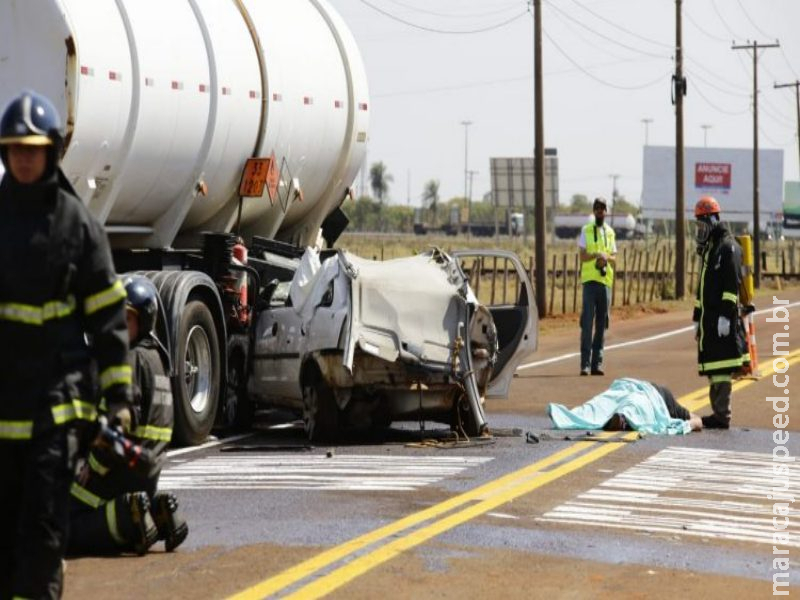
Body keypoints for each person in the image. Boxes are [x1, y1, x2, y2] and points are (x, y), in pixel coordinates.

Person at [0, 90, 132, 598]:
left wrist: (117, 400)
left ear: (52, 152)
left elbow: (109, 321)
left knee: (41, 538)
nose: (24, 158)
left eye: (33, 149)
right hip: (3, 408)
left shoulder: (78, 228)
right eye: (15, 149)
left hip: (53, 415)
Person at [69, 275, 188, 556]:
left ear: (144, 321)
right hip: (147, 471)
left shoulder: (129, 360)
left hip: (118, 471)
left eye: (128, 320)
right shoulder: (157, 357)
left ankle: (127, 519)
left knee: (66, 526)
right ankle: (156, 512)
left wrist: (92, 467)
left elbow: (118, 429)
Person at [692, 196, 749, 429]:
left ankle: (722, 415)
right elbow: (702, 288)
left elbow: (731, 286)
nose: (700, 230)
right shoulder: (711, 250)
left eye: (702, 225)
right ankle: (717, 412)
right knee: (715, 366)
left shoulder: (728, 247)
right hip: (710, 320)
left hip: (721, 319)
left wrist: (726, 316)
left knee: (723, 367)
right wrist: (697, 318)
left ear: (714, 220)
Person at [548, 378, 703, 435]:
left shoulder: (670, 402)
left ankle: (567, 414)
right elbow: (698, 422)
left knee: (601, 404)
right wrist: (687, 424)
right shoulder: (671, 404)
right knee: (634, 405)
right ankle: (623, 417)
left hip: (627, 386)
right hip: (650, 396)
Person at [578, 197, 617, 376]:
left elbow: (615, 258)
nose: (600, 211)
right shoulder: (586, 230)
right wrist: (596, 256)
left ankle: (597, 364)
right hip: (590, 283)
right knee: (587, 323)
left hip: (605, 283)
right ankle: (585, 364)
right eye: (597, 208)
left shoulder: (610, 232)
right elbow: (582, 256)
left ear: (606, 212)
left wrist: (606, 258)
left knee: (602, 325)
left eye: (603, 209)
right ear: (593, 211)